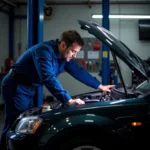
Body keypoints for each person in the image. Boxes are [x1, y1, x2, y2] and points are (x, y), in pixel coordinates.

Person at [0, 30, 114, 149]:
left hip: (29, 88)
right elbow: (48, 78)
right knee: (14, 124)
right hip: (16, 86)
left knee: (27, 123)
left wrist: (100, 86)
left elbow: (78, 71)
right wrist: (68, 100)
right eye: (73, 51)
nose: (74, 55)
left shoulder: (64, 57)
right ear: (63, 45)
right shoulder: (43, 51)